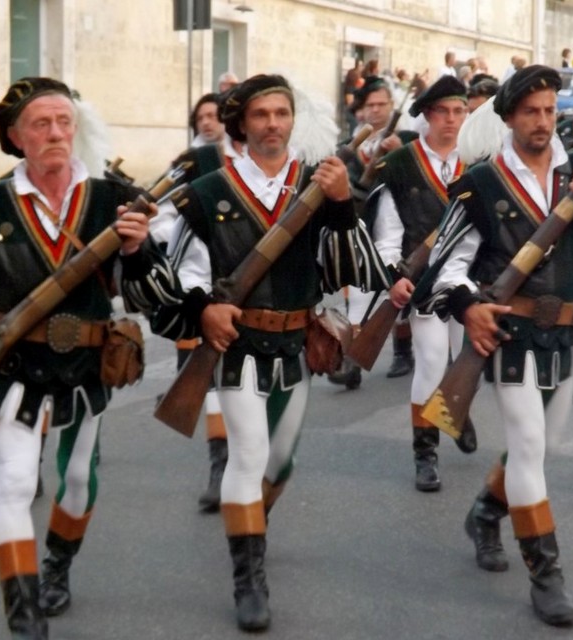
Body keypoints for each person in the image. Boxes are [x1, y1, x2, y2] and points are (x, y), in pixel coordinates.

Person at [149, 74, 391, 632]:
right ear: (242, 126)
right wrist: (204, 306)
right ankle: (248, 578)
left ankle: (248, 523)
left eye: (281, 113)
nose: (273, 125)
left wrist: (339, 207)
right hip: (236, 347)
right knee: (249, 453)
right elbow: (185, 268)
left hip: (294, 344)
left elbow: (354, 269)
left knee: (282, 462)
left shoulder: (317, 184)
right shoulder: (207, 193)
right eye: (261, 115)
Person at [415, 65, 573, 627]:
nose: (542, 121)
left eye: (549, 109)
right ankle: (547, 576)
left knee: (542, 442)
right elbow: (445, 268)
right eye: (530, 111)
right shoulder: (480, 183)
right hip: (509, 335)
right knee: (530, 443)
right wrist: (469, 308)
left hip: (571, 332)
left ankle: (486, 512)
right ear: (508, 117)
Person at [0, 77, 180, 639]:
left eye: (64, 122)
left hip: (87, 367)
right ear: (15, 137)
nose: (56, 133)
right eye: (41, 124)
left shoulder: (112, 198)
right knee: (14, 483)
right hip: (16, 368)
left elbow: (150, 297)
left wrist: (136, 251)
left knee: (80, 481)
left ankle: (58, 565)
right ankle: (24, 611)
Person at [363, 75, 478, 491]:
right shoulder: (400, 164)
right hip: (424, 282)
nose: (451, 120)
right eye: (443, 112)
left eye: (459, 111)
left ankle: (454, 411)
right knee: (431, 362)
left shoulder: (480, 161)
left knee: (467, 361)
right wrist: (394, 277)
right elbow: (388, 234)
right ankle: (424, 454)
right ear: (428, 115)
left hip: (473, 283)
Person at [149, 92, 243, 513]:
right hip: (206, 284)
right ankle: (219, 466)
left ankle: (254, 465)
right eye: (201, 116)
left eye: (215, 115)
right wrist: (181, 242)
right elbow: (160, 211)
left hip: (259, 291)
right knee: (212, 378)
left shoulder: (266, 159)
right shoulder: (192, 163)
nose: (208, 122)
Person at [330, 75, 418, 388]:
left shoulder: (409, 140)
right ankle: (352, 362)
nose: (377, 111)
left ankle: (403, 351)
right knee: (359, 297)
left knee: (400, 296)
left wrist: (401, 150)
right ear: (361, 111)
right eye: (371, 105)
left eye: (383, 104)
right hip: (362, 230)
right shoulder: (350, 148)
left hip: (400, 228)